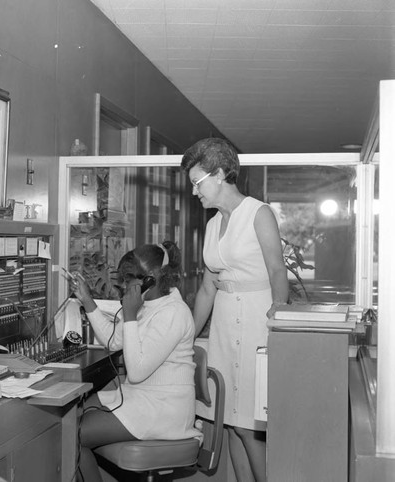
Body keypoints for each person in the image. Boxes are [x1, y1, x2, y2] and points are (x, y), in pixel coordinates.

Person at [181, 138, 289, 482]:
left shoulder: (259, 213)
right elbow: (207, 288)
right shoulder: (212, 226)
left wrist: (278, 330)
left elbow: (277, 272)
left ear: (221, 173)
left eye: (198, 183)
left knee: (250, 429)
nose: (195, 192)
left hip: (259, 324)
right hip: (225, 330)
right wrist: (187, 336)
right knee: (229, 425)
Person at [70, 241, 201, 482]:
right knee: (72, 416)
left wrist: (130, 314)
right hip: (142, 397)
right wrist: (88, 301)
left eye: (126, 282)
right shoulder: (148, 304)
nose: (122, 288)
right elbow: (115, 341)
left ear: (149, 279)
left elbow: (138, 371)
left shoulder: (174, 312)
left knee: (72, 435)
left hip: (164, 408)